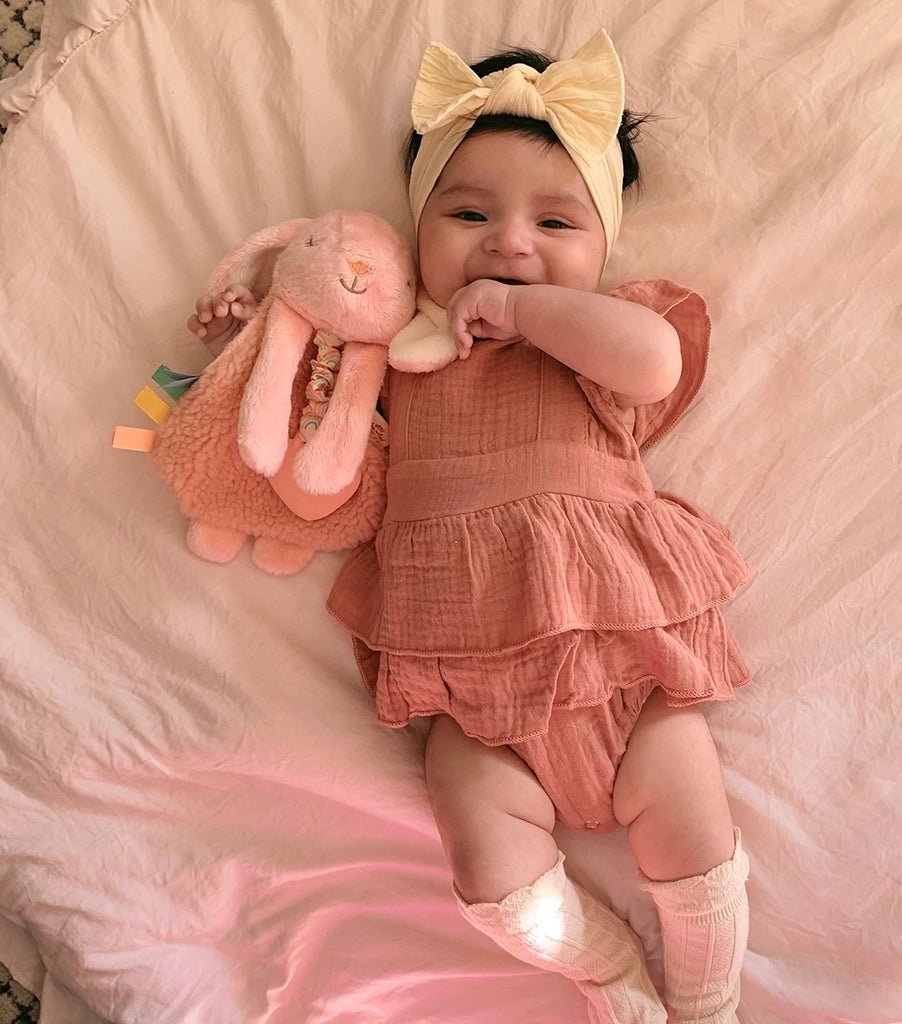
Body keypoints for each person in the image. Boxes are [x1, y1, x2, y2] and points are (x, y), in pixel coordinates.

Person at [189, 29, 752, 1024]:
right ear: (416, 239)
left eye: (554, 221)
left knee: (693, 832)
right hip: (470, 689)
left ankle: (708, 1003)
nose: (509, 240)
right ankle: (610, 974)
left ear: (603, 249)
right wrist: (252, 333)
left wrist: (527, 314)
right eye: (467, 213)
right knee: (486, 865)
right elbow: (321, 428)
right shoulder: (398, 355)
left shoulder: (588, 334)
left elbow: (657, 362)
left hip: (620, 661)